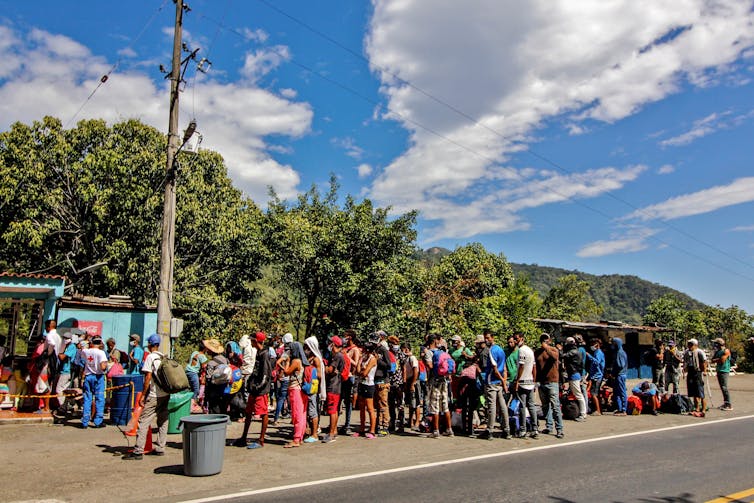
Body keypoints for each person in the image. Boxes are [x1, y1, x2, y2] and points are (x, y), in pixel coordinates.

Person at [123, 334, 168, 459]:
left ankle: (138, 451)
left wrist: (143, 395)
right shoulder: (163, 357)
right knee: (163, 420)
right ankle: (160, 448)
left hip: (154, 395)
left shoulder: (150, 357)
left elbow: (148, 377)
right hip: (165, 394)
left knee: (143, 421)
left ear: (150, 344)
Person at [234, 332, 272, 449]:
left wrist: (258, 386)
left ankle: (261, 439)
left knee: (263, 412)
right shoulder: (259, 353)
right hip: (254, 386)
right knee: (249, 412)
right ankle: (244, 437)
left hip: (260, 389)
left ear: (256, 341)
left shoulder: (264, 354)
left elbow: (266, 374)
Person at [480, 331, 509, 440]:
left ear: (492, 338)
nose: (486, 340)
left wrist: (501, 379)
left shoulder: (492, 351)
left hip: (492, 381)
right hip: (499, 383)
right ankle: (506, 429)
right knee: (502, 406)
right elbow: (504, 368)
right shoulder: (501, 350)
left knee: (491, 406)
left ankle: (490, 430)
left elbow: (495, 368)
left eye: (487, 338)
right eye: (485, 338)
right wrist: (504, 381)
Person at [423, 334, 453, 438]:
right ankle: (449, 429)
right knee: (445, 405)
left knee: (434, 406)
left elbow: (430, 366)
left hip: (434, 381)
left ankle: (435, 431)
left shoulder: (428, 352)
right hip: (444, 380)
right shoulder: (442, 352)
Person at [535, 333, 564, 439]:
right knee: (545, 406)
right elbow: (536, 367)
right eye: (542, 339)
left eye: (546, 339)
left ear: (549, 340)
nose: (544, 341)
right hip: (542, 382)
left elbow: (555, 357)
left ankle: (560, 429)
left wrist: (547, 348)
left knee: (555, 406)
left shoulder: (554, 350)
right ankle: (549, 426)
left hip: (552, 382)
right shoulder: (537, 352)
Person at [282, 333, 307, 448]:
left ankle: (296, 439)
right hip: (301, 390)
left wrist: (286, 361)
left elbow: (286, 372)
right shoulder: (302, 361)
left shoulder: (296, 361)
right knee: (302, 414)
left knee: (296, 414)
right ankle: (300, 436)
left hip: (295, 390)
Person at [512, 332, 538, 438]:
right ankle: (535, 429)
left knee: (522, 406)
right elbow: (534, 367)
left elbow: (521, 366)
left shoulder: (522, 350)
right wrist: (534, 380)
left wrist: (517, 381)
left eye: (516, 339)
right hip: (530, 382)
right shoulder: (530, 350)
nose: (515, 341)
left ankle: (523, 430)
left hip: (523, 382)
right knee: (531, 406)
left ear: (522, 339)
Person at [79, 337, 108, 429]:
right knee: (99, 399)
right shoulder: (101, 353)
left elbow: (81, 347)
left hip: (88, 376)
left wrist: (86, 342)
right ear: (100, 343)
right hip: (98, 376)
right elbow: (103, 367)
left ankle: (85, 421)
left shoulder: (86, 352)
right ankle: (98, 421)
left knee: (87, 398)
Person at [303, 336, 326, 443]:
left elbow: (319, 375)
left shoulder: (316, 359)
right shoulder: (312, 358)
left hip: (313, 388)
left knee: (313, 411)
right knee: (310, 410)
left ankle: (315, 434)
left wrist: (315, 386)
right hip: (310, 388)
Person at [322, 335, 345, 443]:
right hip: (336, 386)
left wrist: (324, 366)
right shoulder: (338, 355)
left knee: (332, 410)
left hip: (333, 386)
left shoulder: (337, 356)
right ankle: (334, 430)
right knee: (334, 410)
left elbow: (329, 370)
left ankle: (331, 434)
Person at [354, 340, 378, 439]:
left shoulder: (372, 359)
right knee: (361, 407)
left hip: (369, 385)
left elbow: (365, 373)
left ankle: (372, 431)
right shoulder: (363, 358)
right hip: (362, 384)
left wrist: (361, 371)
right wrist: (359, 364)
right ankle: (362, 429)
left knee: (370, 408)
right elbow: (358, 371)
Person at [339, 331, 361, 435]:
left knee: (348, 402)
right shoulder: (344, 348)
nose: (344, 338)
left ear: (350, 337)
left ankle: (347, 424)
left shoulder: (355, 350)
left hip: (350, 377)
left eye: (346, 336)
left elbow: (356, 364)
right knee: (339, 401)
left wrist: (347, 356)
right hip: (341, 377)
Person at [372, 330, 392, 437]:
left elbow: (388, 365)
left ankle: (385, 426)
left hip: (383, 381)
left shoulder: (384, 350)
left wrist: (378, 360)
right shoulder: (374, 349)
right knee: (377, 405)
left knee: (383, 404)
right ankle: (378, 425)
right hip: (374, 380)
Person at [562, 337, 587, 421]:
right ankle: (579, 412)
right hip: (575, 374)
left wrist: (559, 350)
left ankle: (583, 414)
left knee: (578, 395)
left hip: (574, 375)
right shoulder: (578, 351)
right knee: (577, 394)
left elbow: (563, 356)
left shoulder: (573, 352)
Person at [683, 338, 707, 416]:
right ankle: (696, 408)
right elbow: (685, 362)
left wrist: (704, 371)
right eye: (689, 344)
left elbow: (704, 362)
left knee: (700, 391)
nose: (689, 346)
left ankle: (703, 409)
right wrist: (684, 371)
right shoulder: (687, 352)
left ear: (695, 345)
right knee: (693, 391)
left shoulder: (699, 352)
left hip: (698, 372)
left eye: (691, 344)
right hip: (690, 371)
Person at [387, 335, 406, 433]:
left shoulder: (401, 354)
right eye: (394, 343)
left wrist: (404, 380)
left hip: (398, 382)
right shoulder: (387, 353)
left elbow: (404, 368)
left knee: (400, 404)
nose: (395, 345)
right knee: (390, 404)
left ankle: (401, 424)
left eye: (397, 343)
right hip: (389, 382)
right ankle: (392, 423)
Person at [402, 344, 422, 431]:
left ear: (406, 349)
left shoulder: (412, 358)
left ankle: (417, 421)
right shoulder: (406, 359)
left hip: (414, 381)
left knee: (416, 403)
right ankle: (410, 421)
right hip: (409, 380)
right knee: (410, 403)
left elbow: (416, 370)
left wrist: (413, 383)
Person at [585, 338, 605, 415]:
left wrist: (589, 356)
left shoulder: (598, 353)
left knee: (594, 394)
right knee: (596, 394)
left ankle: (598, 410)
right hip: (595, 375)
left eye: (593, 344)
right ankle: (599, 409)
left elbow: (597, 362)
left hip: (597, 376)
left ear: (597, 345)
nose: (591, 346)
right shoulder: (597, 352)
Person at [711, 337, 732, 411]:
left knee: (724, 387)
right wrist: (717, 359)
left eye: (715, 343)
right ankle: (725, 403)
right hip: (719, 370)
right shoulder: (718, 351)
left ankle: (728, 404)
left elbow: (722, 360)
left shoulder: (726, 350)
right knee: (722, 387)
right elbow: (712, 360)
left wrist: (717, 359)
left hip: (724, 370)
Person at [611, 338, 628, 415]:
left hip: (621, 375)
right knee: (617, 392)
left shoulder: (620, 353)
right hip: (618, 375)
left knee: (622, 392)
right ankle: (619, 408)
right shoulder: (618, 352)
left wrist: (615, 367)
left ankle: (624, 409)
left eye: (613, 343)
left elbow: (621, 364)